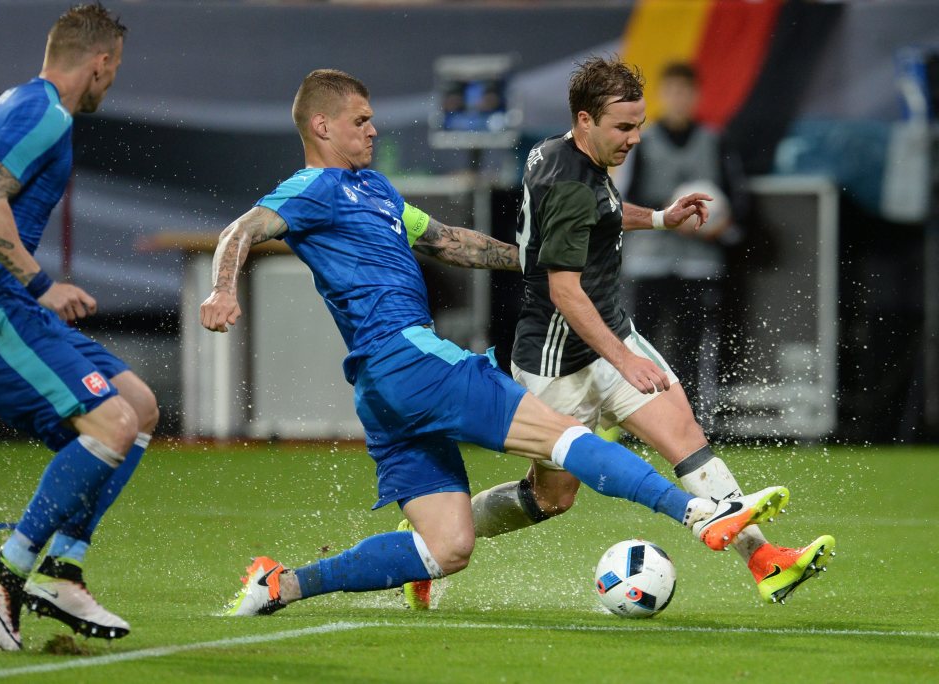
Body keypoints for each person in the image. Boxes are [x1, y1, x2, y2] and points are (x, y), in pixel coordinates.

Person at [199, 68, 790, 618]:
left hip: (384, 389)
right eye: (361, 120)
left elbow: (448, 241)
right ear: (322, 126)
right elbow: (241, 230)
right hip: (413, 360)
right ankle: (699, 514)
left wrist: (531, 263)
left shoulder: (373, 190)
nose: (374, 129)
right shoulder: (312, 188)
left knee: (448, 548)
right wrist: (223, 290)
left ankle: (281, 583)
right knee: (567, 439)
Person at [402, 56, 833, 611]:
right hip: (557, 360)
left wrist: (659, 218)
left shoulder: (560, 152)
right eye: (623, 127)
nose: (634, 138)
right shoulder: (567, 184)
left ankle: (765, 561)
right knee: (552, 498)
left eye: (639, 125)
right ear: (585, 120)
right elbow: (565, 292)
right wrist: (625, 362)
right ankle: (426, 549)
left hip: (608, 335)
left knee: (686, 438)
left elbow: (601, 211)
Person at [0, 4, 158, 651]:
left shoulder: (14, 103)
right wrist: (40, 283)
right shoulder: (45, 112)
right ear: (101, 61)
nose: (112, 83)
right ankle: (9, 569)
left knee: (138, 405)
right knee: (110, 425)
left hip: (10, 306)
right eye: (115, 70)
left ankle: (63, 570)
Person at [620, 61, 749, 427]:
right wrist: (665, 217)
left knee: (695, 346)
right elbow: (623, 201)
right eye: (672, 91)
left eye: (685, 91)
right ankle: (642, 421)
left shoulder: (715, 140)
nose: (679, 99)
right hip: (649, 261)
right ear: (662, 95)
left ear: (696, 95)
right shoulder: (639, 141)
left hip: (700, 263)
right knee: (642, 344)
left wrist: (717, 228)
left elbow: (738, 203)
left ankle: (693, 422)